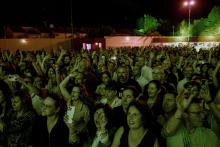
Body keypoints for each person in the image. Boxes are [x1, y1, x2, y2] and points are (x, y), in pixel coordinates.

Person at [162, 81, 219, 147]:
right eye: (197, 113)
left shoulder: (208, 133)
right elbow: (168, 131)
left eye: (202, 112)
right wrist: (180, 110)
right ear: (185, 115)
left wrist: (209, 101)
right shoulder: (174, 129)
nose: (202, 116)